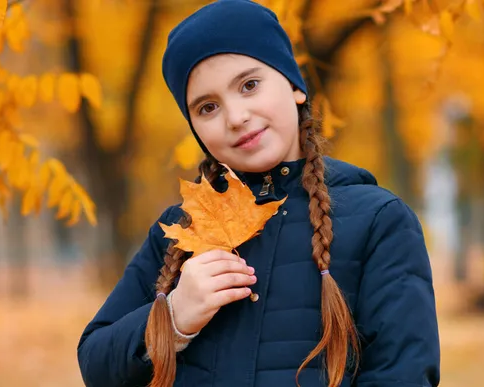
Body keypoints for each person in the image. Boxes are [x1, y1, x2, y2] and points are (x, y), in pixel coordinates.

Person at [76, 1, 441, 386]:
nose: (235, 117)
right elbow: (96, 365)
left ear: (295, 86)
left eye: (249, 85)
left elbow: (402, 375)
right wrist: (173, 316)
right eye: (208, 107)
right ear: (196, 128)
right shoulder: (179, 231)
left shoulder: (379, 222)